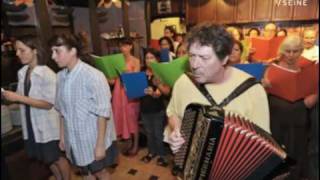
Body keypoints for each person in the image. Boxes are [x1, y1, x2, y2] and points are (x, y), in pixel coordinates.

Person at [164, 23, 270, 155]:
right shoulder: (183, 82)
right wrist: (176, 131)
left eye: (204, 57)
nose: (194, 65)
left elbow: (263, 145)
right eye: (191, 56)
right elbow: (173, 113)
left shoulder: (253, 91)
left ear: (224, 59)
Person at [49, 34, 118, 179]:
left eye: (57, 51)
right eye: (52, 52)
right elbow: (62, 110)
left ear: (73, 51)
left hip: (93, 137)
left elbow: (103, 113)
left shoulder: (93, 76)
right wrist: (62, 136)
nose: (53, 56)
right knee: (85, 172)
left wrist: (99, 144)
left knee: (100, 172)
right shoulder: (60, 77)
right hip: (74, 137)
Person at [2, 35, 70, 179]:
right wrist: (9, 96)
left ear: (35, 51)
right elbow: (24, 96)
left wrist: (18, 98)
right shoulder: (23, 72)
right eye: (17, 50)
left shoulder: (47, 74)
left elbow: (48, 104)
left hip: (49, 125)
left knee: (57, 158)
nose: (17, 54)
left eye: (22, 50)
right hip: (32, 125)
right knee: (47, 159)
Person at [262, 35, 318, 180]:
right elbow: (262, 95)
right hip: (277, 116)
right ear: (281, 50)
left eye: (295, 51)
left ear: (301, 51)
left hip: (299, 114)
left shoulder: (308, 68)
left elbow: (314, 90)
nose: (291, 55)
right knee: (277, 152)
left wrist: (314, 96)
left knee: (297, 150)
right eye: (288, 51)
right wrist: (264, 86)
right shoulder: (271, 67)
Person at [140, 48, 171, 166]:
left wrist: (154, 91)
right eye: (147, 58)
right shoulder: (142, 72)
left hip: (157, 109)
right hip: (144, 108)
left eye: (151, 57)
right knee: (149, 133)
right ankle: (151, 152)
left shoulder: (161, 73)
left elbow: (165, 92)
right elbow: (137, 90)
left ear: (157, 59)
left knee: (158, 134)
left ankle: (162, 155)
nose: (149, 60)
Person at [111, 37, 141, 156]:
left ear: (130, 46)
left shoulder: (135, 61)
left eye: (125, 46)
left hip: (130, 93)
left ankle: (135, 145)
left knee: (132, 119)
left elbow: (136, 78)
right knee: (120, 117)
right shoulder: (117, 61)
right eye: (121, 46)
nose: (122, 48)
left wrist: (126, 73)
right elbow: (113, 80)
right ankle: (127, 141)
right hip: (118, 92)